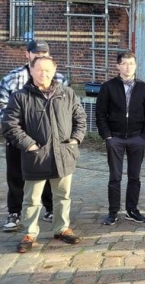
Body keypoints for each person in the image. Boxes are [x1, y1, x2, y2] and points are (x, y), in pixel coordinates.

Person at [2, 56, 87, 253]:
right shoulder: (20, 97)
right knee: (31, 198)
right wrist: (29, 145)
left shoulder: (67, 94)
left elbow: (80, 118)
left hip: (63, 155)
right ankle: (30, 232)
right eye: (39, 69)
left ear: (54, 70)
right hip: (36, 158)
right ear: (31, 70)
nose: (44, 73)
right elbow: (10, 125)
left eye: (48, 70)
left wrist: (75, 140)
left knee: (63, 196)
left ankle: (62, 228)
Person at [0, 40, 67, 232]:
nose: (41, 57)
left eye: (44, 54)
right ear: (27, 55)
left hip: (47, 138)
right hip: (19, 139)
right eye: (36, 54)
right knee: (15, 175)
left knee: (48, 174)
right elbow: (2, 107)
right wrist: (20, 131)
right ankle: (15, 213)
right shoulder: (12, 78)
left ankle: (50, 209)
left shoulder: (60, 79)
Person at [96, 51, 145, 225]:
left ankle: (132, 210)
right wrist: (107, 135)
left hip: (137, 138)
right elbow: (100, 113)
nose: (128, 67)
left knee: (134, 177)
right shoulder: (108, 87)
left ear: (135, 66)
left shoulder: (143, 88)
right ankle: (113, 211)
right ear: (118, 66)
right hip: (115, 138)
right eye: (124, 63)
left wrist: (144, 135)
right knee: (115, 177)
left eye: (131, 63)